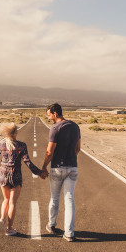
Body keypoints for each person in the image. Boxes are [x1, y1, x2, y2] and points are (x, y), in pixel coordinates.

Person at [0, 123, 43, 236]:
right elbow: (27, 162)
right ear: (16, 133)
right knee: (12, 202)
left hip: (3, 174)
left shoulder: (1, 144)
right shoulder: (21, 145)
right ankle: (9, 228)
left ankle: (2, 218)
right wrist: (38, 172)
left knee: (6, 199)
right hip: (15, 175)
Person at [40, 103, 81, 242]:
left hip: (57, 167)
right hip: (72, 167)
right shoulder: (75, 126)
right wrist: (70, 157)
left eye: (49, 115)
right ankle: (69, 233)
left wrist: (44, 166)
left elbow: (49, 152)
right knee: (69, 199)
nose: (49, 118)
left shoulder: (55, 129)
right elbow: (78, 148)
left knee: (55, 198)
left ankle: (51, 225)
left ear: (55, 113)